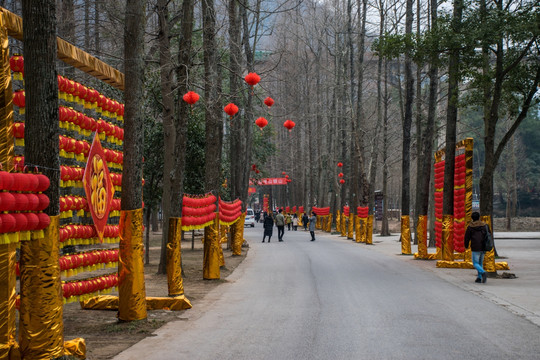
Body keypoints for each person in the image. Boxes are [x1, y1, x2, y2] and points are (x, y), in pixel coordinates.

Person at [464, 211, 489, 283]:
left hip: (475, 246)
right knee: (480, 262)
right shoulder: (484, 225)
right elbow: (488, 234)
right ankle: (479, 278)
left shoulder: (470, 227)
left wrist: (466, 245)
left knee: (475, 263)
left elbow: (467, 237)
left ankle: (483, 272)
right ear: (479, 217)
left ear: (472, 218)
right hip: (484, 246)